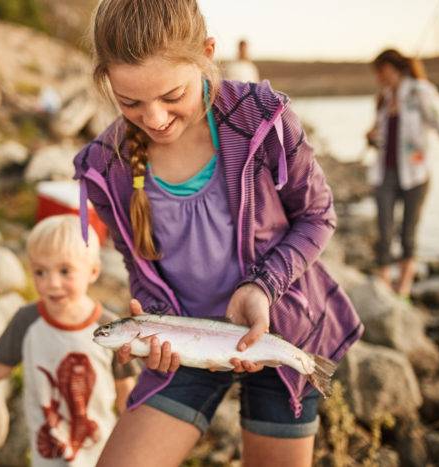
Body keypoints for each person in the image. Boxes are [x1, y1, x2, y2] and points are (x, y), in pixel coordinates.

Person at [72, 1, 363, 466]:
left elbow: (318, 216)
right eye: (130, 103)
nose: (154, 118)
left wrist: (261, 288)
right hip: (184, 340)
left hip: (281, 329)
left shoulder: (261, 119)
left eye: (172, 95)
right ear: (106, 80)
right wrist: (152, 323)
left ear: (207, 53)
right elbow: (139, 266)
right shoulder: (106, 165)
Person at [0, 215, 138, 466]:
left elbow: (125, 392)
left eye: (65, 271)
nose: (52, 283)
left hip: (100, 454)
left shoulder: (111, 328)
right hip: (47, 456)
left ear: (93, 271)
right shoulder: (27, 321)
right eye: (40, 272)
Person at [366, 48, 439, 298]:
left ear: (394, 67)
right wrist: (370, 137)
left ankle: (404, 284)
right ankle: (384, 278)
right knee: (384, 225)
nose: (379, 77)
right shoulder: (384, 97)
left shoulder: (420, 90)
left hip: (416, 172)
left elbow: (435, 120)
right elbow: (379, 132)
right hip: (386, 172)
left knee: (408, 229)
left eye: (382, 71)